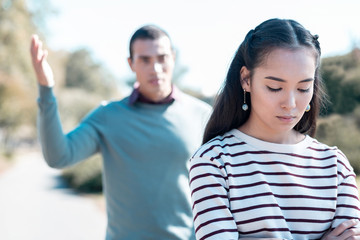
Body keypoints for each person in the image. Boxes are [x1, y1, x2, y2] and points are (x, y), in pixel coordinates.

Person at [30, 25, 211, 240]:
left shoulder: (203, 116)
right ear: (131, 63)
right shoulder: (108, 116)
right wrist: (46, 90)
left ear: (173, 58)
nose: (155, 68)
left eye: (162, 58)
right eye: (145, 59)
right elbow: (58, 156)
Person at [188, 18, 360, 240]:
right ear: (246, 79)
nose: (290, 103)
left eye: (303, 88)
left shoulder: (335, 165)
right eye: (275, 87)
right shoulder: (214, 162)